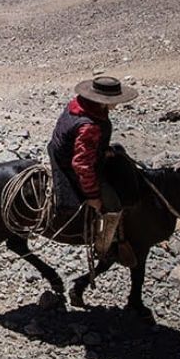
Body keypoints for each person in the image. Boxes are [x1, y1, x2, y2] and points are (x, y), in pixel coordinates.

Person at [47, 76, 139, 259]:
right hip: (69, 164)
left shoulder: (79, 104)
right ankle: (104, 245)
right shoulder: (89, 125)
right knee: (113, 205)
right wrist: (93, 195)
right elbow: (82, 164)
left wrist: (102, 151)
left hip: (58, 151)